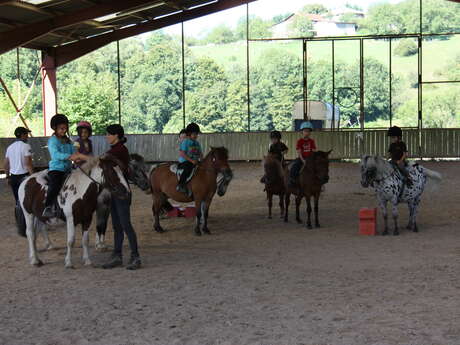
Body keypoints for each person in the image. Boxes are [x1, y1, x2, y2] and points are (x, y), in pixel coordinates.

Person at [102, 124, 141, 270]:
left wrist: (81, 156)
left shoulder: (119, 150)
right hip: (115, 192)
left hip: (121, 192)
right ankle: (117, 255)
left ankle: (135, 256)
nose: (107, 136)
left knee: (125, 225)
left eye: (108, 134)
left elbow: (102, 161)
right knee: (118, 226)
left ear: (116, 135)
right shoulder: (115, 149)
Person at [42, 114, 82, 218]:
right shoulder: (53, 141)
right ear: (55, 128)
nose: (64, 130)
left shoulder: (68, 141)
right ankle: (48, 206)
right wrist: (70, 157)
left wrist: (77, 156)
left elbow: (74, 152)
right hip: (57, 169)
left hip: (68, 169)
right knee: (55, 185)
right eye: (61, 128)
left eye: (65, 128)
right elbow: (55, 155)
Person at [4, 127, 34, 204]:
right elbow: (28, 163)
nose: (27, 136)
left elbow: (6, 164)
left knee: (18, 200)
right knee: (27, 200)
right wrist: (33, 176)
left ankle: (19, 214)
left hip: (13, 177)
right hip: (24, 177)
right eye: (26, 134)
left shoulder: (10, 147)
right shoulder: (26, 146)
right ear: (22, 135)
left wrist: (7, 176)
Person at [177, 122, 203, 195]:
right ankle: (181, 185)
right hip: (185, 162)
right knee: (188, 168)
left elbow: (200, 153)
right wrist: (191, 160)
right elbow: (182, 153)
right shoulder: (186, 142)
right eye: (194, 134)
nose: (196, 136)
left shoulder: (197, 143)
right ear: (189, 133)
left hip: (195, 161)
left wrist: (202, 160)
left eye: (197, 134)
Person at [289, 121, 316, 187]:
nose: (307, 133)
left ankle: (318, 183)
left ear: (310, 133)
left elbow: (313, 150)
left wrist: (312, 159)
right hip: (302, 158)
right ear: (302, 132)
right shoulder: (300, 141)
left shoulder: (312, 141)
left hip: (310, 159)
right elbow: (299, 152)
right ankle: (293, 181)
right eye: (305, 131)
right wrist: (303, 160)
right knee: (294, 167)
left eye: (308, 131)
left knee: (319, 168)